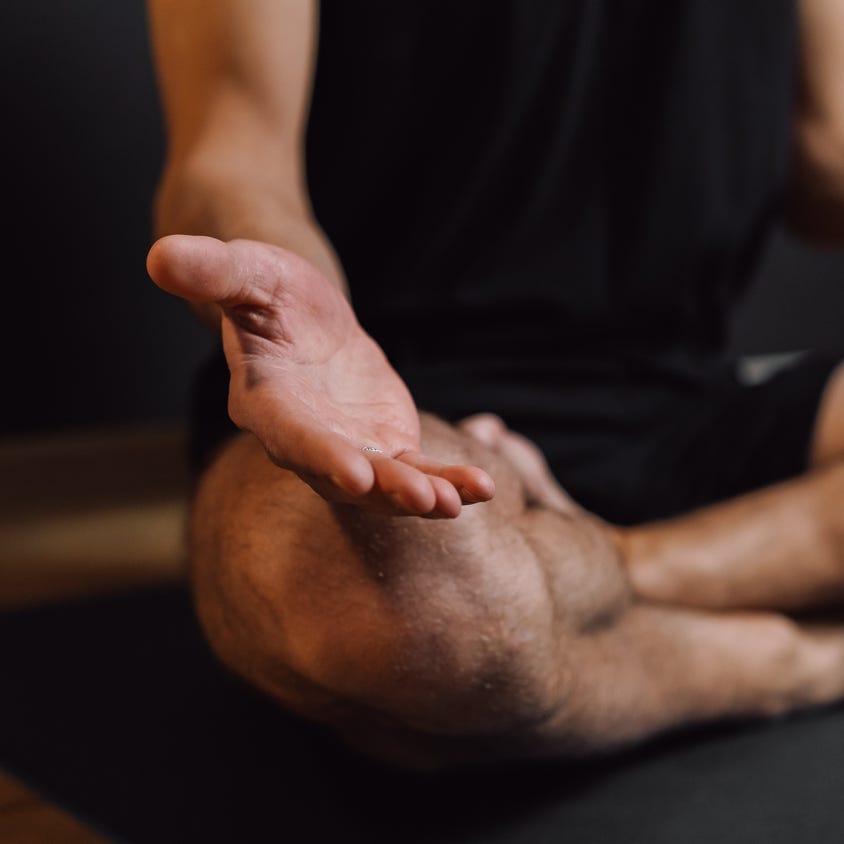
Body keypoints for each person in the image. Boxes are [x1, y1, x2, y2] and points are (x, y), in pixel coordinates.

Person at [145, 0, 844, 769]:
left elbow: (828, 163)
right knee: (424, 621)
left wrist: (597, 567)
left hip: (689, 401)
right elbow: (230, 163)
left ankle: (599, 573)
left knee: (466, 664)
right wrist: (299, 306)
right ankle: (789, 660)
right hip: (392, 406)